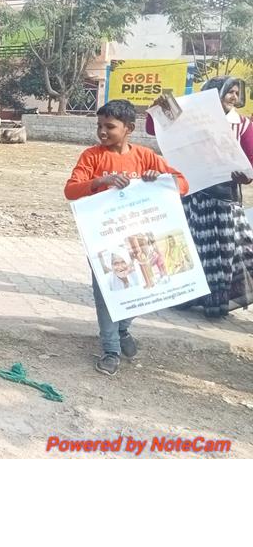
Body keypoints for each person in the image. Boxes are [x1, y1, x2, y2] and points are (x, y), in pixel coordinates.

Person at [64, 99, 189, 376]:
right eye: (99, 126)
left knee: (144, 286)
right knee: (107, 293)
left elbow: (182, 183)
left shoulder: (145, 156)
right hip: (104, 239)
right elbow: (71, 190)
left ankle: (122, 329)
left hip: (141, 239)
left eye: (109, 126)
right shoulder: (92, 157)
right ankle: (110, 349)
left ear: (129, 128)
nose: (102, 131)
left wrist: (159, 179)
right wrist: (99, 181)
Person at [149, 78, 253, 317]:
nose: (233, 97)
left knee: (220, 250)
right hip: (190, 192)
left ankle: (215, 301)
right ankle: (184, 296)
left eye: (236, 93)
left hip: (223, 197)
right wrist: (159, 108)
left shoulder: (243, 125)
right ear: (211, 94)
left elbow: (251, 160)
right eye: (229, 92)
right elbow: (154, 128)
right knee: (188, 245)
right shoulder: (188, 118)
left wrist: (246, 177)